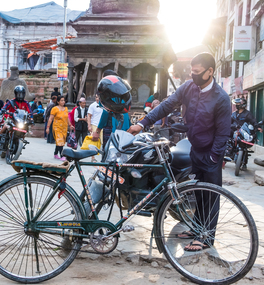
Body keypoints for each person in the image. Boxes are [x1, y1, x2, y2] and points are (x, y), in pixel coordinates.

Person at [127, 53, 231, 252]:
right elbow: (166, 105)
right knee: (198, 191)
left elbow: (223, 133)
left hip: (211, 153)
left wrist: (213, 157)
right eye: (192, 72)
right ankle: (196, 229)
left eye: (198, 73)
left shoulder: (221, 98)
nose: (194, 76)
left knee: (210, 195)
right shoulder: (189, 88)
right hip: (194, 148)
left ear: (210, 72)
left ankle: (206, 238)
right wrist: (142, 123)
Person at [92, 71, 132, 147]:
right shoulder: (123, 91)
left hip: (112, 128)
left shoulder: (107, 92)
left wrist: (97, 131)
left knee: (109, 152)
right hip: (124, 127)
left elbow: (105, 112)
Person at [45, 96, 74, 160]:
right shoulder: (54, 109)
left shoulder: (66, 109)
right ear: (58, 101)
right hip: (57, 127)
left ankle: (55, 153)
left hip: (64, 128)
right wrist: (47, 127)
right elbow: (50, 119)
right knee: (59, 140)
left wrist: (70, 125)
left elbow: (67, 118)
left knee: (61, 141)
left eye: (64, 100)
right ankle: (62, 155)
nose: (63, 102)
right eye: (61, 100)